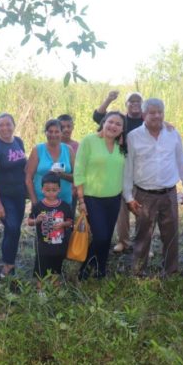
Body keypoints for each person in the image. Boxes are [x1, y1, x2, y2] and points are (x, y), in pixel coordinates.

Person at [124, 98, 183, 277]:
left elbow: (181, 161)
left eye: (160, 112)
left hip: (169, 193)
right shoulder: (134, 136)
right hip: (144, 195)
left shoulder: (172, 133)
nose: (156, 116)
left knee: (170, 235)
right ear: (144, 115)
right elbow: (128, 167)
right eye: (152, 112)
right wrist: (129, 197)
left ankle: (171, 271)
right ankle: (138, 272)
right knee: (142, 235)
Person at [75, 111, 126, 279]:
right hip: (92, 198)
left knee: (107, 237)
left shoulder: (122, 145)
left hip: (114, 198)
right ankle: (85, 270)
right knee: (101, 236)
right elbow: (79, 171)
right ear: (103, 122)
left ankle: (101, 270)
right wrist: (81, 200)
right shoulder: (89, 141)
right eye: (111, 122)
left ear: (122, 129)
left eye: (118, 124)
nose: (114, 126)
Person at [93, 91, 145, 253]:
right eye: (131, 101)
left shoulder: (146, 120)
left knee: (141, 207)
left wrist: (167, 124)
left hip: (141, 170)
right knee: (122, 208)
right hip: (120, 167)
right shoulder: (121, 120)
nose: (135, 104)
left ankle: (143, 242)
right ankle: (123, 241)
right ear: (126, 104)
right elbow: (97, 116)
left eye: (138, 101)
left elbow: (160, 123)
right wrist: (108, 98)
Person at [0, 113, 27, 276]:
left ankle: (10, 261)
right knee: (13, 227)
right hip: (3, 196)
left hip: (19, 195)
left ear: (14, 125)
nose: (5, 128)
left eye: (8, 124)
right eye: (1, 125)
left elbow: (23, 168)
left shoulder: (18, 142)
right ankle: (8, 264)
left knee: (13, 230)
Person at [27, 172, 73, 286]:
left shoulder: (65, 206)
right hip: (43, 246)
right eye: (48, 190)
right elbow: (29, 221)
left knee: (56, 268)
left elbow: (71, 222)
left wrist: (63, 224)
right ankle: (40, 290)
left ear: (59, 190)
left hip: (59, 245)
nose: (51, 193)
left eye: (54, 190)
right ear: (42, 189)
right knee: (41, 269)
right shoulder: (38, 206)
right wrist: (37, 220)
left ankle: (55, 288)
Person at [25, 119, 75, 206]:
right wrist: (34, 201)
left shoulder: (68, 150)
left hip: (65, 202)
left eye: (57, 132)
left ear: (61, 133)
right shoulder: (38, 150)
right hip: (42, 202)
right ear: (45, 133)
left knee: (66, 220)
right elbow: (28, 178)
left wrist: (62, 175)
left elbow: (77, 176)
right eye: (50, 131)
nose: (53, 135)